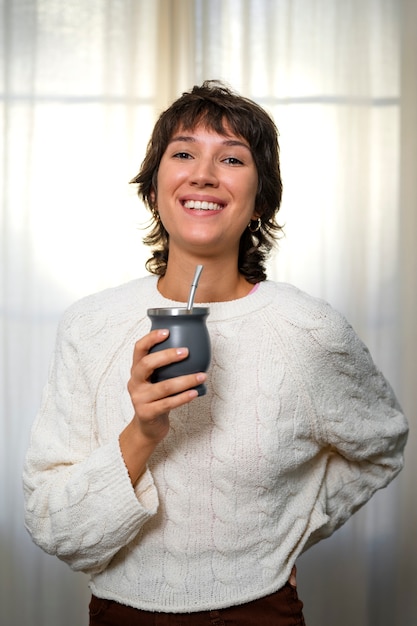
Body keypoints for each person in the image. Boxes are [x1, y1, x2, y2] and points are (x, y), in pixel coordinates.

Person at [23, 81, 408, 626]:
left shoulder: (307, 330)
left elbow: (381, 444)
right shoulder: (89, 326)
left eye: (231, 159)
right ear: (155, 188)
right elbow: (57, 530)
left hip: (262, 612)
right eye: (183, 154)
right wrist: (143, 432)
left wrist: (293, 530)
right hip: (121, 614)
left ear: (260, 199)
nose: (203, 173)